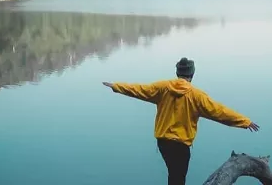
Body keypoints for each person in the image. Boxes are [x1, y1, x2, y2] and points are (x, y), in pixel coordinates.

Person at [103, 57, 259, 185]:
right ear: (192, 74)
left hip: (163, 142)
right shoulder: (197, 96)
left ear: (177, 72)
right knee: (178, 178)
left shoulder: (163, 88)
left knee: (174, 175)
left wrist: (116, 86)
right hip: (180, 145)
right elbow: (220, 112)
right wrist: (244, 121)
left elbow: (138, 89)